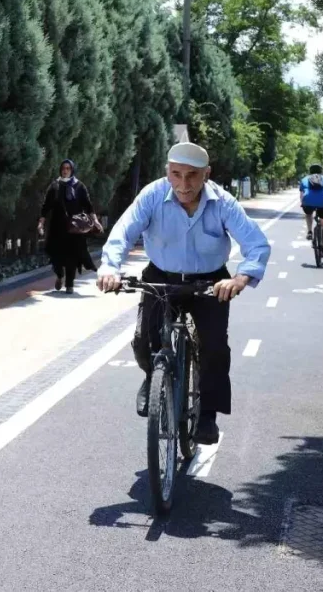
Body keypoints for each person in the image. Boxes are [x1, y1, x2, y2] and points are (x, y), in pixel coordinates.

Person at [96, 142, 270, 445]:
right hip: (162, 276)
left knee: (214, 347)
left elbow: (256, 244)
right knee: (143, 338)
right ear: (167, 172)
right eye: (176, 175)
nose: (184, 184)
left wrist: (240, 278)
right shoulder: (152, 195)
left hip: (210, 282)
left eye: (192, 175)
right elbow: (123, 231)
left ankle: (207, 416)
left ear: (207, 174)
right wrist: (109, 268)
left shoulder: (224, 203)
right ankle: (153, 379)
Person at [38, 159, 102, 294]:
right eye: (63, 168)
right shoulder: (54, 186)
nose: (65, 171)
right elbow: (46, 206)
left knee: (72, 256)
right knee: (55, 254)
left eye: (68, 168)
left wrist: (95, 221)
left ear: (72, 170)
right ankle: (60, 275)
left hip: (74, 229)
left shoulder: (79, 186)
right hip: (57, 228)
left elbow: (88, 205)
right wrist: (41, 223)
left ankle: (69, 284)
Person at [299, 164, 323, 256]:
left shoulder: (304, 180)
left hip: (308, 202)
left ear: (310, 171)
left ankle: (309, 231)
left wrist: (303, 203)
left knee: (308, 214)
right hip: (322, 203)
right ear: (321, 171)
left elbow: (301, 195)